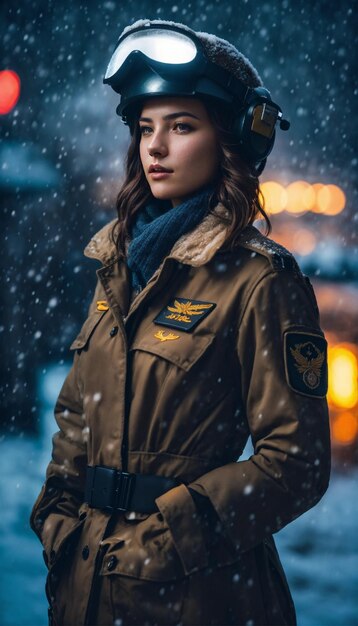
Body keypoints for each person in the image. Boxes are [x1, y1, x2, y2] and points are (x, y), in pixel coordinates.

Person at [30, 18, 331, 626]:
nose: (155, 148)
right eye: (145, 129)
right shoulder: (117, 265)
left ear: (231, 140)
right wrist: (60, 519)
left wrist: (165, 542)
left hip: (195, 596)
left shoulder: (261, 281)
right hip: (82, 590)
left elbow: (296, 462)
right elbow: (75, 414)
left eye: (182, 126)